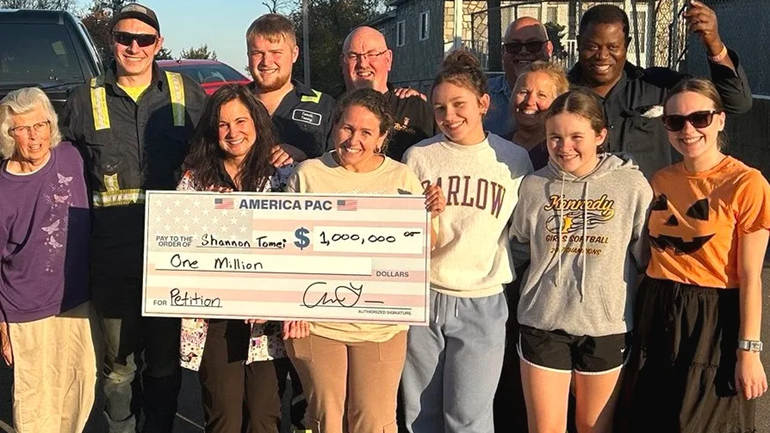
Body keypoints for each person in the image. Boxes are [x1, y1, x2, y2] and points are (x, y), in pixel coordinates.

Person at [59, 3, 208, 432]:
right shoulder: (83, 99)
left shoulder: (188, 93)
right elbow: (57, 171)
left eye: (144, 39)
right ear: (112, 41)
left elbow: (221, 152)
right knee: (119, 367)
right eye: (125, 38)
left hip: (172, 258)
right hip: (112, 258)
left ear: (158, 44)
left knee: (162, 365)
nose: (134, 47)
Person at [284, 87, 445, 433]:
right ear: (334, 126)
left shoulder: (401, 178)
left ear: (382, 138)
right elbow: (285, 250)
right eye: (346, 128)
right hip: (316, 323)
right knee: (326, 418)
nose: (353, 139)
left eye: (366, 132)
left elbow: (424, 249)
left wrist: (430, 216)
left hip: (381, 325)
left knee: (373, 421)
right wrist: (290, 307)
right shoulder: (308, 175)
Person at [621, 78, 769, 433]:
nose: (688, 129)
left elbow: (751, 276)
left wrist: (749, 351)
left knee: (703, 423)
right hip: (656, 308)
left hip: (713, 315)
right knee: (648, 418)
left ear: (720, 119)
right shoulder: (659, 180)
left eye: (699, 118)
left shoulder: (747, 184)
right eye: (675, 121)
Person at [400, 50, 533, 433]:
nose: (450, 116)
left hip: (483, 300)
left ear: (483, 104)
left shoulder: (512, 160)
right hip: (424, 297)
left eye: (459, 105)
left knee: (468, 418)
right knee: (419, 414)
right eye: (440, 108)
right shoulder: (419, 157)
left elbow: (521, 229)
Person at [509, 88, 652, 433]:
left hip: (605, 324)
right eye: (554, 137)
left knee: (593, 427)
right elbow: (519, 248)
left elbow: (643, 253)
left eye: (576, 137)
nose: (564, 146)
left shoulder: (630, 185)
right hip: (542, 321)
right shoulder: (533, 186)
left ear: (600, 135)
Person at [175, 84, 297, 433]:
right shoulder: (194, 180)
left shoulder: (284, 176)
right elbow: (175, 246)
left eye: (241, 121)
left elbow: (299, 245)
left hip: (267, 319)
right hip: (214, 317)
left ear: (257, 122)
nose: (233, 132)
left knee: (264, 417)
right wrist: (203, 215)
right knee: (223, 416)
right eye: (223, 124)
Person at [0, 87, 98, 433]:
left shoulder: (72, 156)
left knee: (79, 387)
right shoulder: (3, 187)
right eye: (22, 129)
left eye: (40, 125)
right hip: (25, 309)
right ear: (9, 135)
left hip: (76, 300)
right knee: (35, 401)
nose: (34, 136)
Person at [568, 2, 752, 177]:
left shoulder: (661, 86)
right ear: (578, 43)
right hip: (581, 207)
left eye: (613, 47)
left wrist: (714, 44)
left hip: (655, 206)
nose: (602, 56)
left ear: (627, 44)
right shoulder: (560, 94)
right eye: (592, 47)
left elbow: (737, 103)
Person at [493, 60, 570, 432]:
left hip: (544, 281)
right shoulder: (496, 147)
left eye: (543, 94)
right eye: (524, 91)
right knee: (503, 377)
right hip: (499, 277)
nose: (530, 100)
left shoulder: (562, 156)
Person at [246, 13, 336, 161]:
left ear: (294, 54)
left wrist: (306, 161)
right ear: (248, 55)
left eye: (276, 53)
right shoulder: (230, 105)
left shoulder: (325, 107)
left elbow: (341, 169)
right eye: (258, 53)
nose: (266, 62)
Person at [341, 26, 436, 162]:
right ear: (342, 63)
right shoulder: (330, 111)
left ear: (388, 59)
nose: (363, 63)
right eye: (353, 56)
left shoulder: (417, 109)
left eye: (372, 54)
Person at [486, 17, 553, 137]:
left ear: (549, 48)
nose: (523, 51)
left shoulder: (567, 97)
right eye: (514, 46)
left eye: (533, 45)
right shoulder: (480, 96)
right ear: (503, 51)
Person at [509, 61, 570, 170]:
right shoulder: (494, 147)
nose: (529, 102)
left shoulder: (562, 153)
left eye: (541, 95)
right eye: (523, 92)